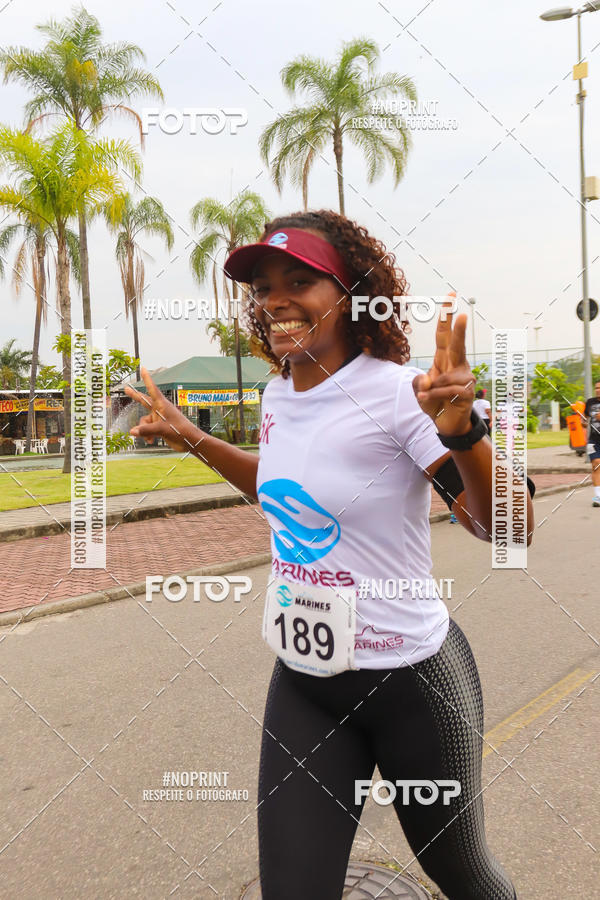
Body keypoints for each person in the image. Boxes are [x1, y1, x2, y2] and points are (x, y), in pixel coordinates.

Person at [125, 210, 535, 900]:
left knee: (461, 873)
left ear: (352, 296)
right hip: (307, 681)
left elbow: (509, 527)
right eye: (261, 287)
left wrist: (464, 433)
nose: (274, 300)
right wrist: (195, 438)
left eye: (299, 280)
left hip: (412, 684)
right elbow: (280, 488)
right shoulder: (278, 392)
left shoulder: (402, 394)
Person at [584, 380, 600, 507]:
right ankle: (598, 497)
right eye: (596, 388)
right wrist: (583, 422)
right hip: (593, 440)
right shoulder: (590, 402)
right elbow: (585, 419)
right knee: (595, 465)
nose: (598, 390)